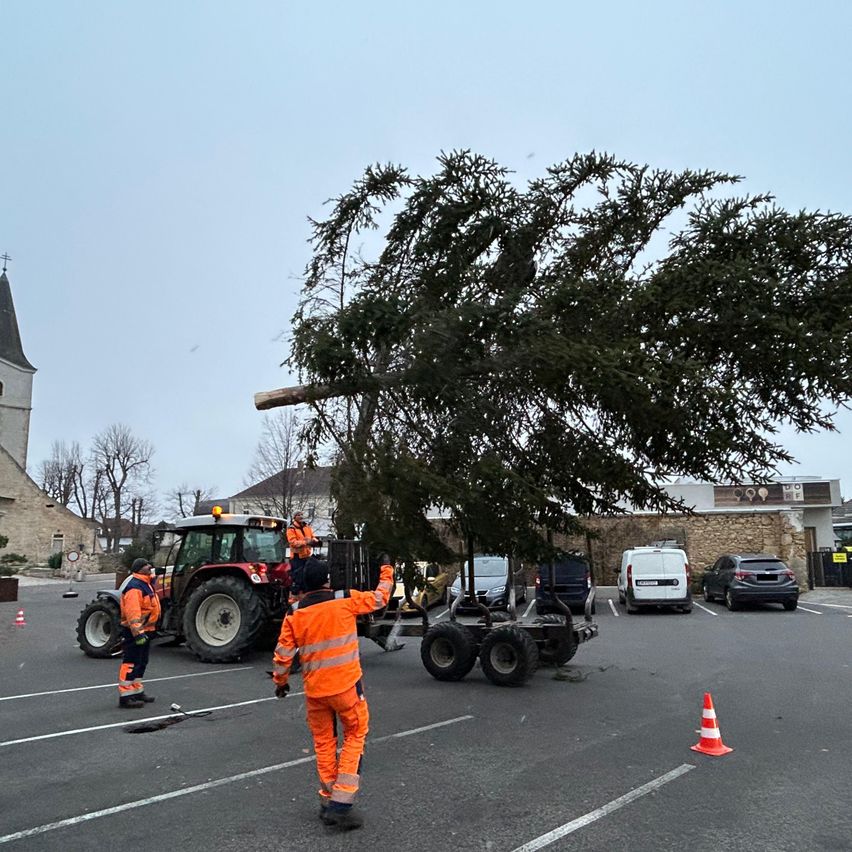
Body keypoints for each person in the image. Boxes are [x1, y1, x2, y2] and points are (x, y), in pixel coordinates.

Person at [272, 556, 394, 831]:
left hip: (315, 691)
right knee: (355, 735)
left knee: (324, 743)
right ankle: (341, 805)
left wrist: (281, 683)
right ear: (328, 579)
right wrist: (386, 568)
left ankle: (328, 799)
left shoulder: (294, 614)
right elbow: (380, 598)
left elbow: (282, 656)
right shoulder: (345, 600)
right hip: (346, 687)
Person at [117, 557, 161, 709]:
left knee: (141, 662)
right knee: (131, 662)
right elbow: (133, 612)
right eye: (145, 565)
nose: (149, 566)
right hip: (135, 632)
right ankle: (126, 696)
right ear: (138, 569)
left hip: (146, 630)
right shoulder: (135, 587)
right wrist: (138, 633)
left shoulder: (146, 584)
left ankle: (136, 691)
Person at [286, 511, 321, 597]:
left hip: (306, 556)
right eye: (298, 515)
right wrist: (306, 542)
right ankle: (296, 596)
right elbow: (293, 542)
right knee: (298, 578)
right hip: (297, 557)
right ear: (295, 517)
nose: (301, 516)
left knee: (307, 576)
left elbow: (312, 537)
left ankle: (305, 594)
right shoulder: (291, 529)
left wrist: (315, 541)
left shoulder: (307, 527)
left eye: (301, 515)